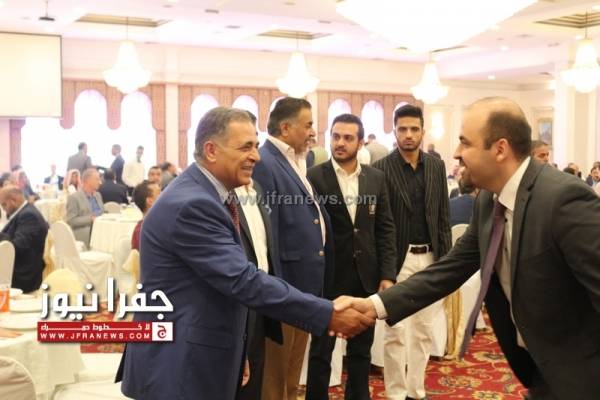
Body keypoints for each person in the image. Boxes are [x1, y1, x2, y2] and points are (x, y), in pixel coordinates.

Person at [344, 97, 600, 400]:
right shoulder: (488, 201)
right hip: (541, 372)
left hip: (583, 374)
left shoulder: (563, 199)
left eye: (465, 143)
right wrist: (375, 305)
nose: (456, 153)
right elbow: (449, 269)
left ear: (500, 149)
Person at [118, 107, 373, 400]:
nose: (256, 156)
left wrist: (237, 351)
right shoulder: (193, 204)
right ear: (211, 150)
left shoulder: (211, 194)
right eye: (246, 147)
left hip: (202, 350)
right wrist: (326, 314)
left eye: (256, 145)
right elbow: (242, 279)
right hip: (179, 363)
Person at [305, 113, 397, 400]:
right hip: (328, 277)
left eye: (347, 138)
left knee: (361, 352)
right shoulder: (314, 177)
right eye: (335, 136)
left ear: (360, 142)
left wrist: (387, 274)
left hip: (364, 276)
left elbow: (385, 229)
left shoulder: (376, 178)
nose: (340, 143)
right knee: (321, 352)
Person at [252, 97, 334, 400]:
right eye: (308, 125)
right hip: (284, 287)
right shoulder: (266, 162)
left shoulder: (297, 159)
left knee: (291, 375)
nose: (313, 132)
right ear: (286, 128)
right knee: (275, 379)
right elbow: (268, 233)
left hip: (304, 287)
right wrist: (277, 288)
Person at [373, 104, 451, 400]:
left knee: (423, 330)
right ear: (394, 132)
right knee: (395, 331)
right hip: (398, 260)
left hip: (431, 258)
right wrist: (385, 271)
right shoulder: (381, 169)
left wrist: (446, 265)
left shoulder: (436, 166)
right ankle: (395, 394)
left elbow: (442, 217)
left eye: (414, 129)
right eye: (402, 129)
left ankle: (416, 391)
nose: (408, 134)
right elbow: (381, 226)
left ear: (422, 131)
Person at [0, 187, 48, 293]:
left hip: (24, 272)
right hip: (20, 264)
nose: (3, 209)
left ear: (13, 200)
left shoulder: (29, 215)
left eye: (4, 204)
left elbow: (16, 246)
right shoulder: (23, 212)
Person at [66, 168, 103, 247]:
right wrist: (91, 219)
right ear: (88, 180)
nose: (100, 182)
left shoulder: (98, 195)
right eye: (97, 179)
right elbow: (71, 220)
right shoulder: (74, 198)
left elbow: (102, 212)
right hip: (87, 231)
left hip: (101, 229)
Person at [130, 180, 160, 251]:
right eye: (159, 193)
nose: (164, 196)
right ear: (150, 201)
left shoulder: (159, 225)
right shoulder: (142, 231)